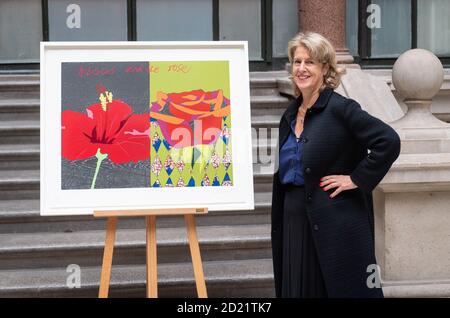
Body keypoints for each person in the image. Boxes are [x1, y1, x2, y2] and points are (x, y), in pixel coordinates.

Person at [271, 32, 401, 298]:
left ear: (325, 68)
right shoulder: (290, 114)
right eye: (297, 62)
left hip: (333, 224)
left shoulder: (341, 109)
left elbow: (387, 141)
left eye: (310, 62)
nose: (302, 69)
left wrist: (356, 179)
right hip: (293, 222)